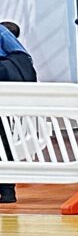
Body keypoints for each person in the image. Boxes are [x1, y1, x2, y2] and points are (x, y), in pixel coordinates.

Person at [0, 20, 34, 203]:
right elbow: (24, 60)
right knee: (4, 142)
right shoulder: (4, 34)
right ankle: (7, 190)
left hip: (4, 99)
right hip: (7, 98)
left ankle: (7, 190)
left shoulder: (2, 32)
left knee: (4, 141)